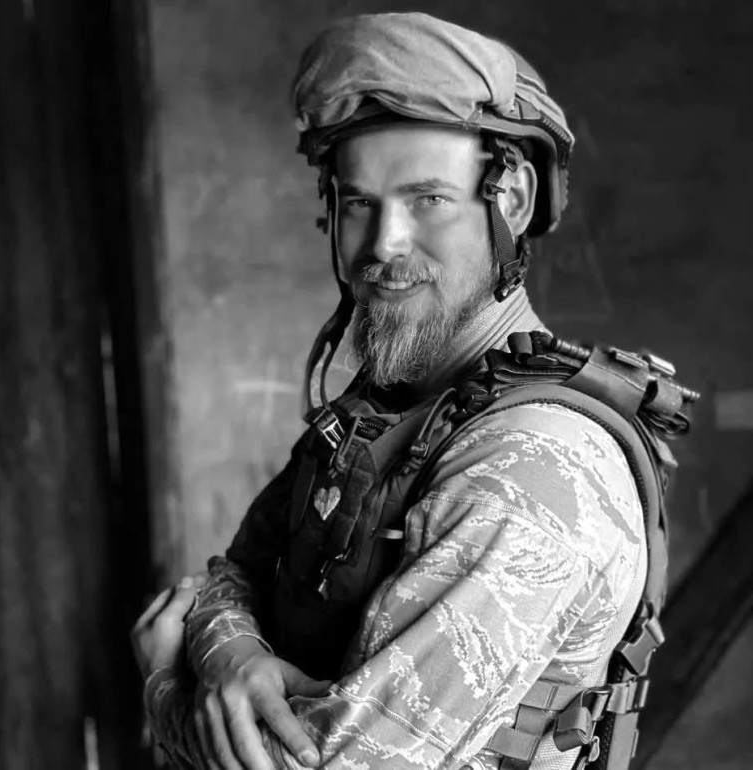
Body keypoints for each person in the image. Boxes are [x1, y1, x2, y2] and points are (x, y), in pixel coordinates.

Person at [132, 12, 693, 770]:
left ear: (512, 199)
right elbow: (229, 577)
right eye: (360, 203)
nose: (384, 244)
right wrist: (231, 655)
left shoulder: (531, 469)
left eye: (427, 199)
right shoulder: (404, 410)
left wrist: (168, 684)